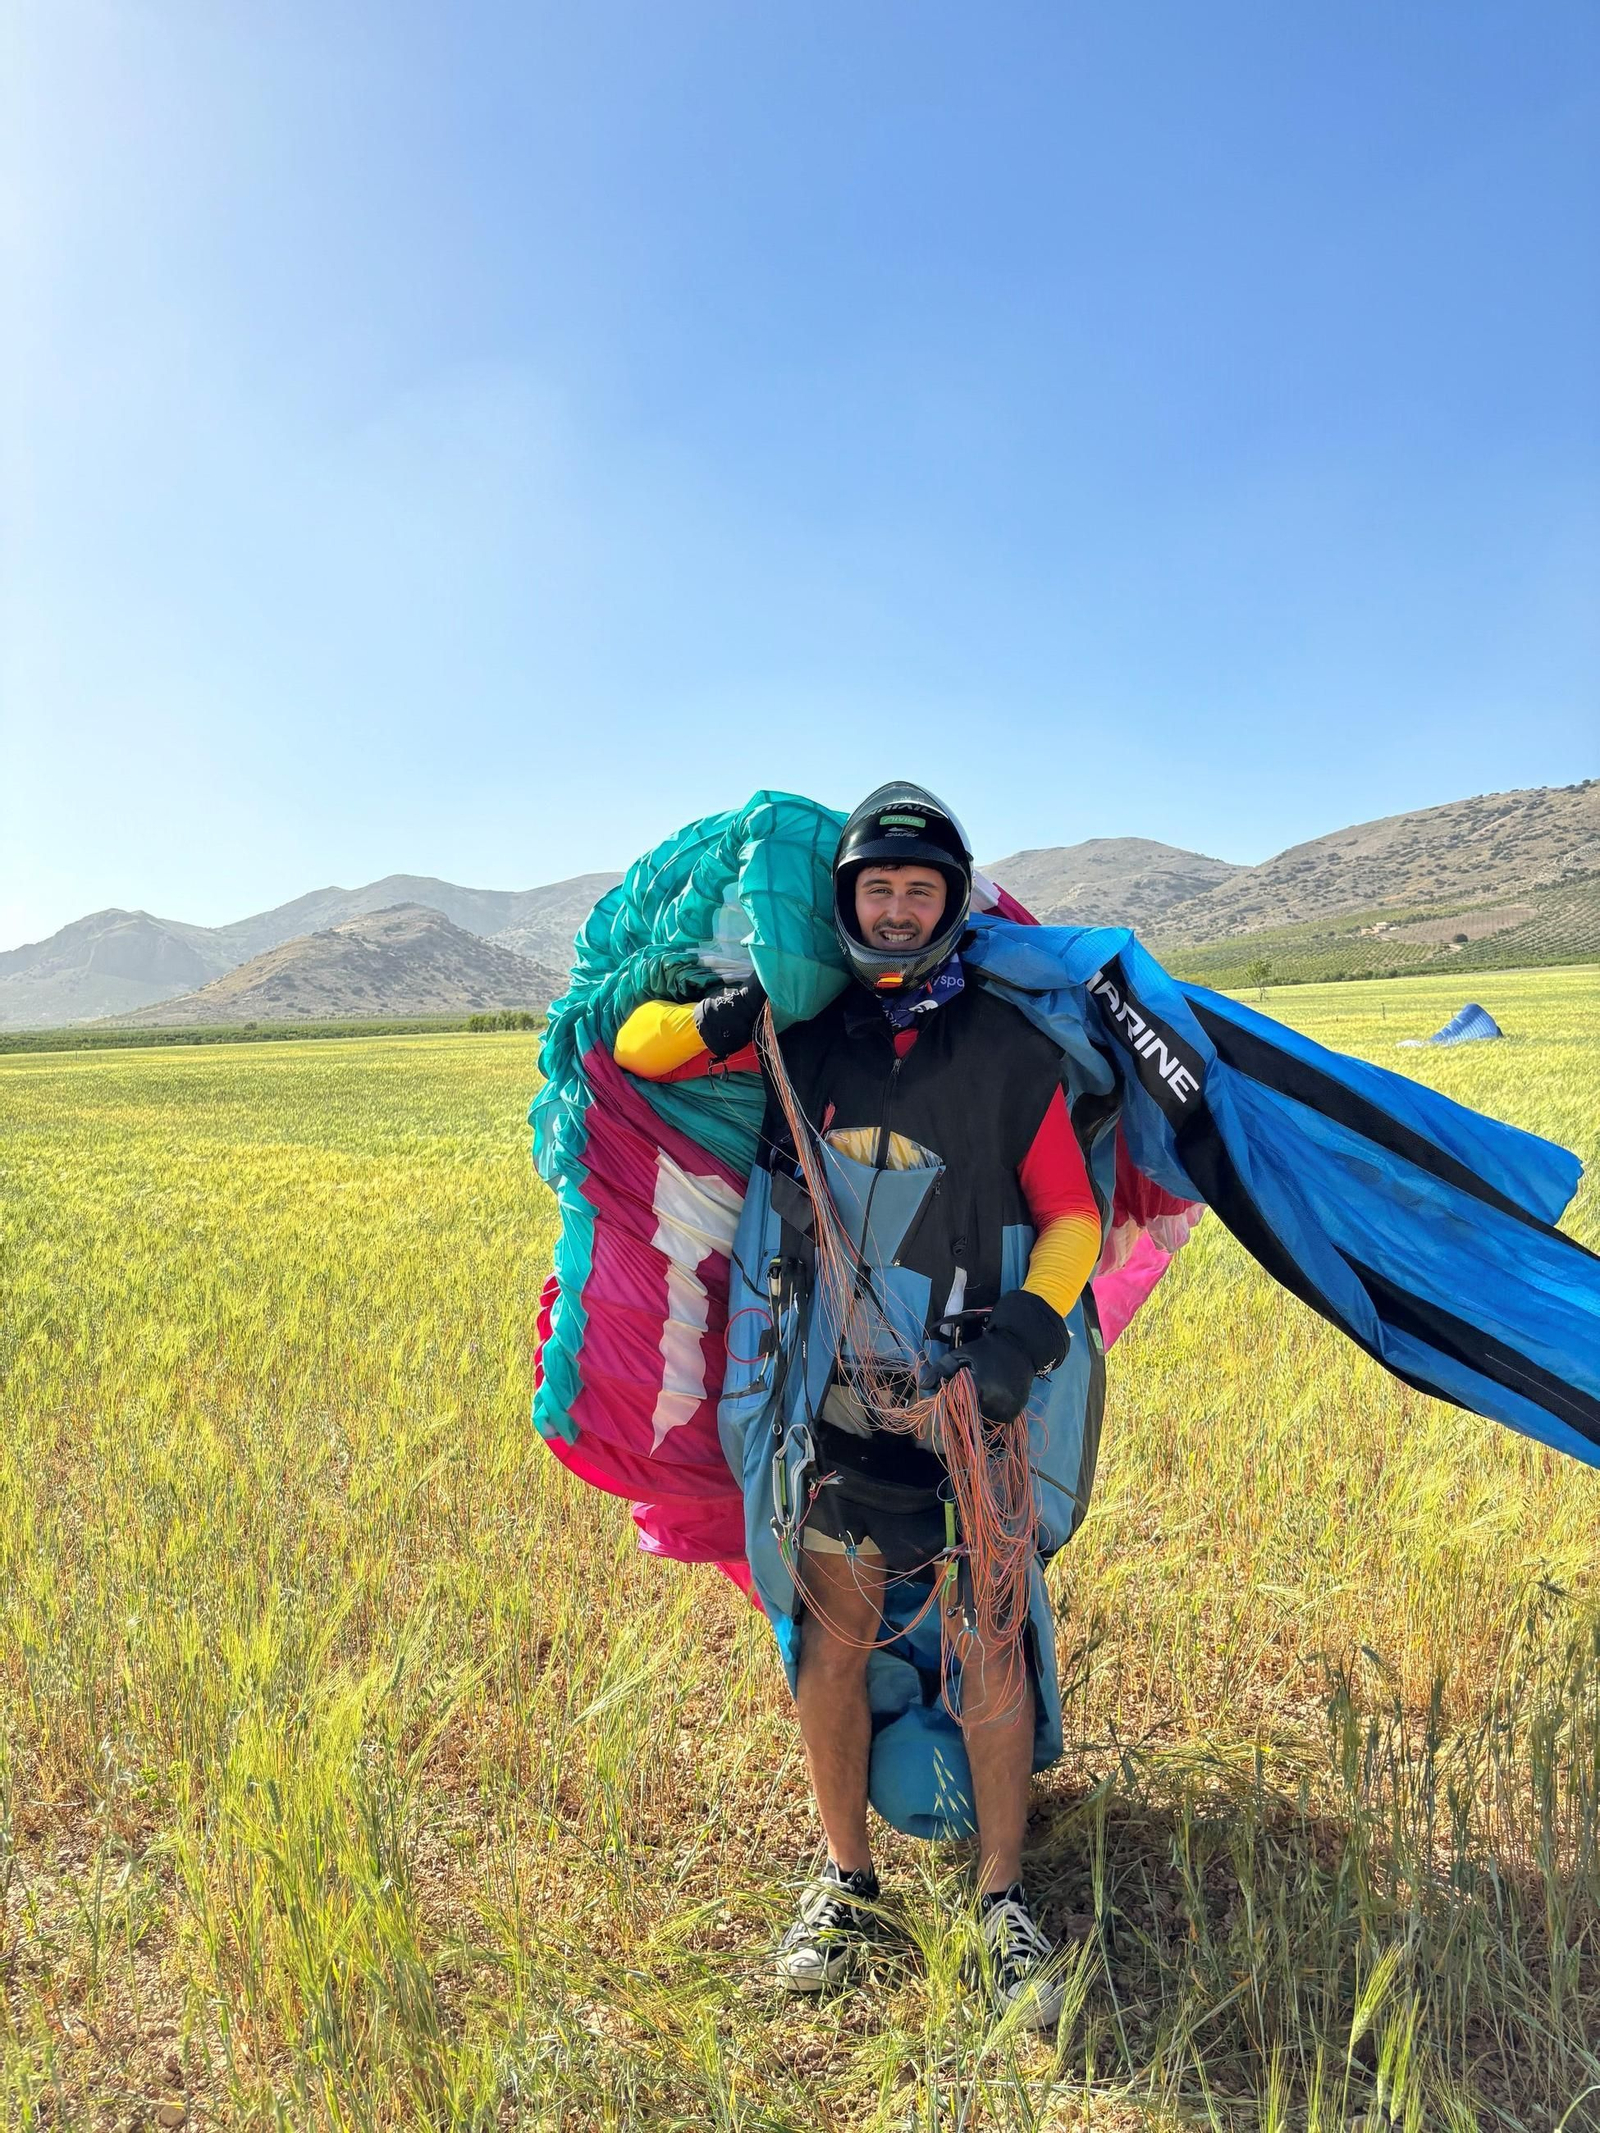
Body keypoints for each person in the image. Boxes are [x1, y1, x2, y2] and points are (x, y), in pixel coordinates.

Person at [610, 783, 1103, 2025]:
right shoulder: (804, 1034)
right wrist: (730, 1007)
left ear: (947, 903)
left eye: (917, 891)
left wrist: (1023, 1340)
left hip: (973, 1407)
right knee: (832, 1640)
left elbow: (1071, 1215)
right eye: (874, 891)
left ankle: (1000, 1899)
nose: (894, 910)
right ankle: (848, 1882)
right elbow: (639, 1049)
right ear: (847, 906)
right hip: (836, 1410)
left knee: (991, 1641)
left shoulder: (1004, 1049)